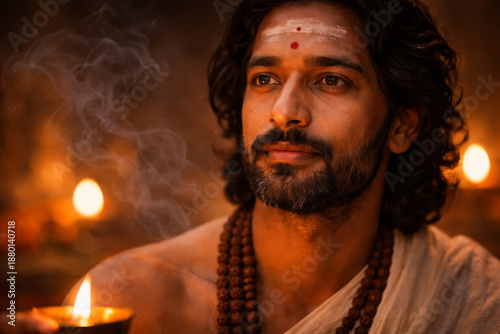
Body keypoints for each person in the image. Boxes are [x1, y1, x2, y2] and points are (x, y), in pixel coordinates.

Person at [5, 0, 500, 333]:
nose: (284, 111)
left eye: (330, 80)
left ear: (402, 126)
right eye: (265, 78)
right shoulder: (133, 301)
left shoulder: (471, 299)